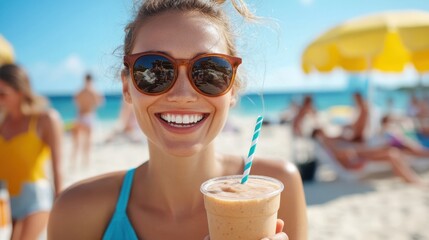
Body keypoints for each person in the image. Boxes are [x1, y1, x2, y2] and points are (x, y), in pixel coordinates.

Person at [48, 1, 307, 239]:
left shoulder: (278, 190)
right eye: (153, 70)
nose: (182, 95)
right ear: (127, 88)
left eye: (210, 71)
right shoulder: (76, 211)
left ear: (233, 89)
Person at [0, 64, 63, 239]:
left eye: (3, 93)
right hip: (5, 199)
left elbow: (57, 167)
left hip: (35, 198)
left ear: (20, 92)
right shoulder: (1, 121)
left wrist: (60, 205)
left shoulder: (45, 119)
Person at [312, 128, 427, 186]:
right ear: (319, 137)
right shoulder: (330, 148)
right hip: (356, 163)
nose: (326, 133)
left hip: (359, 157)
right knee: (391, 154)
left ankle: (411, 178)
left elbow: (351, 151)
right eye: (322, 132)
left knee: (392, 153)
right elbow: (347, 158)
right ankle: (412, 180)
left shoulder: (333, 143)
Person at [70, 73, 104, 167]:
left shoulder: (79, 92)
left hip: (79, 116)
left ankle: (73, 162)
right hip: (89, 116)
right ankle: (86, 163)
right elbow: (100, 103)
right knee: (87, 142)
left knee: (76, 142)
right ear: (91, 80)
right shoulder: (94, 92)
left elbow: (75, 102)